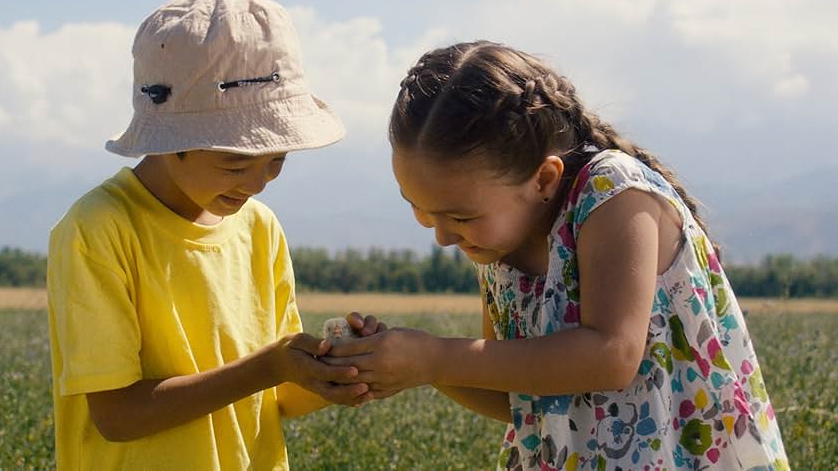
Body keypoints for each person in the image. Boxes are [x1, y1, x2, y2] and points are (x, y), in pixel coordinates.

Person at [326, 41, 789, 470]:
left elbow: (611, 356)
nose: (443, 237)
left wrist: (434, 357)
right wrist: (412, 366)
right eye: (419, 210)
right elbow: (515, 393)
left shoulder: (612, 195)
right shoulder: (497, 244)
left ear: (544, 179)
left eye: (459, 216)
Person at [46, 0, 373, 470]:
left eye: (277, 161)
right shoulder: (98, 230)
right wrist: (269, 366)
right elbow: (117, 416)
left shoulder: (259, 228)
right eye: (235, 163)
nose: (260, 183)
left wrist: (337, 372)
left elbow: (278, 396)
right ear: (169, 140)